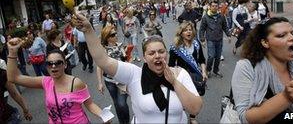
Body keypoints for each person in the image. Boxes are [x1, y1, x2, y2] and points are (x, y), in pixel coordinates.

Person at [73, 13, 203, 123]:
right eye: (151, 53)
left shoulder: (180, 74)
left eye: (161, 51)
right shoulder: (134, 74)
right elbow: (103, 60)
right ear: (144, 58)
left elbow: (195, 109)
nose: (157, 56)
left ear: (167, 54)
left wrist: (174, 83)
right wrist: (89, 30)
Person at [6, 45, 112, 124]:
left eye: (58, 63)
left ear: (65, 64)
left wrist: (104, 116)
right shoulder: (45, 82)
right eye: (49, 63)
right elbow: (13, 78)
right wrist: (12, 52)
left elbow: (90, 104)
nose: (53, 66)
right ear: (46, 66)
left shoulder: (76, 83)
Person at [231, 17, 293, 123]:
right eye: (281, 35)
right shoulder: (246, 67)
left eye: (292, 33)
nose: (292, 38)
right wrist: (285, 97)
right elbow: (245, 118)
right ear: (265, 42)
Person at [168, 21, 207, 124]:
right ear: (181, 32)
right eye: (185, 30)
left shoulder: (196, 43)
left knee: (195, 95)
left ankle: (192, 117)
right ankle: (181, 116)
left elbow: (202, 60)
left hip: (195, 75)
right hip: (182, 77)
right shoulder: (176, 47)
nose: (188, 32)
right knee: (182, 98)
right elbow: (171, 65)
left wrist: (203, 72)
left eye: (190, 29)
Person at [97, 26, 130, 124]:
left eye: (115, 33)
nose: (116, 35)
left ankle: (126, 122)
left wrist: (127, 56)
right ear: (107, 37)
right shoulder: (102, 50)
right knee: (116, 103)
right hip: (109, 82)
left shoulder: (120, 45)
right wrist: (100, 83)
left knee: (122, 103)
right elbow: (99, 67)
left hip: (122, 80)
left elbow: (126, 60)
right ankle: (121, 121)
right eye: (112, 34)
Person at [199, 0, 231, 78]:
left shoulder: (221, 16)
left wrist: (229, 35)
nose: (214, 7)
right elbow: (202, 29)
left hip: (219, 39)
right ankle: (208, 70)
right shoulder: (206, 17)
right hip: (210, 39)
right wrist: (202, 40)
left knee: (218, 56)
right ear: (210, 7)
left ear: (218, 7)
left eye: (216, 6)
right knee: (211, 56)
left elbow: (225, 27)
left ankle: (216, 70)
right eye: (213, 6)